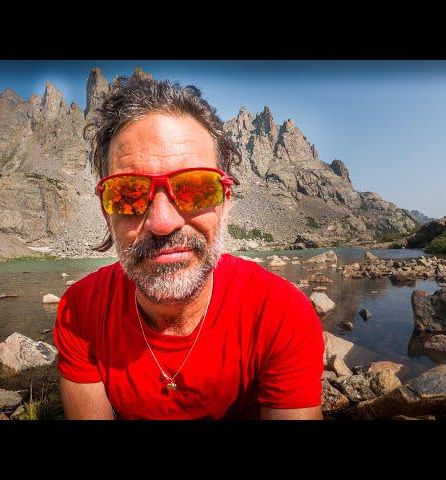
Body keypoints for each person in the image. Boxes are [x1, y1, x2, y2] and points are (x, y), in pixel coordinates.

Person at [53, 72, 324, 420]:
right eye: (128, 193)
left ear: (227, 203)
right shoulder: (79, 312)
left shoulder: (283, 314)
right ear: (107, 213)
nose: (163, 222)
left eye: (196, 188)